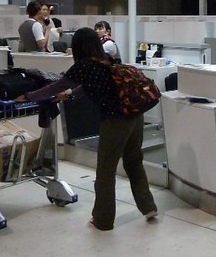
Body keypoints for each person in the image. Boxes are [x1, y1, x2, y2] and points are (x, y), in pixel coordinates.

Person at [19, 27, 157, 230]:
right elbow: (88, 87)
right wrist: (70, 96)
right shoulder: (106, 61)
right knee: (134, 162)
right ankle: (149, 207)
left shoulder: (83, 66)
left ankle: (102, 220)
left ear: (77, 46)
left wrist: (28, 96)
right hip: (135, 116)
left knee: (105, 171)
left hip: (115, 121)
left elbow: (54, 87)